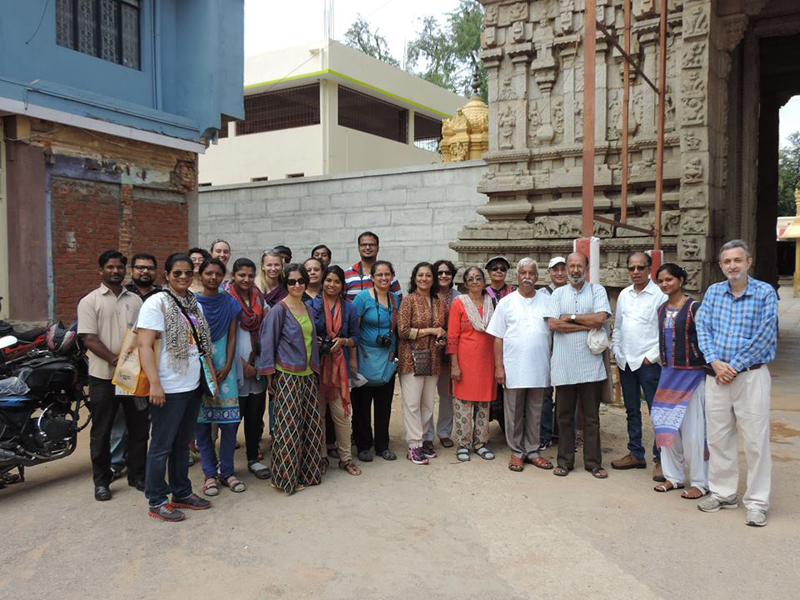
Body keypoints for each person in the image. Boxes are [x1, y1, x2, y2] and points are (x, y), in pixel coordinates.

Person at [696, 240, 778, 527]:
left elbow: (765, 334)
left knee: (755, 441)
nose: (733, 265)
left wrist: (734, 366)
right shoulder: (714, 293)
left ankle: (756, 502)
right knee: (718, 438)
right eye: (727, 261)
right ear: (721, 265)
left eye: (738, 260)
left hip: (751, 376)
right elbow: (702, 327)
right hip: (716, 375)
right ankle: (723, 492)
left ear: (748, 262)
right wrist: (715, 361)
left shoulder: (765, 293)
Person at [137, 253, 214, 522]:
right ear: (167, 276)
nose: (183, 277)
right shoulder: (156, 303)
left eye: (187, 273)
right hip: (168, 387)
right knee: (161, 446)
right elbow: (144, 345)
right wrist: (155, 384)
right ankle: (156, 499)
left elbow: (201, 345)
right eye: (177, 273)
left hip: (191, 385)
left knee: (182, 444)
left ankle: (181, 492)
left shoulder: (194, 304)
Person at [77, 250, 148, 501]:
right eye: (110, 267)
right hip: (102, 378)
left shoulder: (136, 301)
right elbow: (89, 338)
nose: (115, 271)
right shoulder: (90, 301)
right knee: (102, 430)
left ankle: (138, 476)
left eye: (119, 267)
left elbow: (142, 335)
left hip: (132, 377)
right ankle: (102, 482)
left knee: (139, 428)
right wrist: (116, 360)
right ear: (101, 270)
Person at [257, 264, 324, 495]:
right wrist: (269, 377)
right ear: (286, 284)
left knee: (310, 427)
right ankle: (285, 478)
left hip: (308, 376)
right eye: (292, 281)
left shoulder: (307, 307)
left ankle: (308, 473)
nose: (297, 285)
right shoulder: (279, 310)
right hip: (287, 376)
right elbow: (268, 343)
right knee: (288, 429)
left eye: (300, 281)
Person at [545, 252, 611, 480]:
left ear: (586, 267)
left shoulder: (597, 290)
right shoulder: (558, 293)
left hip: (590, 366)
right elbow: (553, 324)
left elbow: (600, 320)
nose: (574, 270)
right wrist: (586, 322)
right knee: (563, 416)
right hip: (563, 366)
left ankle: (593, 463)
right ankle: (565, 461)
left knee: (591, 417)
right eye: (570, 266)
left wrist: (571, 318)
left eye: (578, 266)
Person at [486, 258, 553, 472]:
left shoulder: (546, 300)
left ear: (537, 276)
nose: (527, 277)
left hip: (540, 367)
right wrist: (499, 367)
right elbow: (497, 337)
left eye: (531, 273)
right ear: (517, 277)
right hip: (514, 367)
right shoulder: (507, 302)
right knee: (513, 412)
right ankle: (516, 452)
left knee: (535, 411)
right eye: (523, 273)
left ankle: (532, 451)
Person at [651, 263, 709, 499]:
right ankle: (673, 477)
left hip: (692, 376)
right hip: (668, 375)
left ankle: (699, 482)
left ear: (681, 280)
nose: (665, 284)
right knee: (665, 426)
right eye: (661, 281)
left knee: (694, 429)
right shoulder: (662, 309)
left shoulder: (695, 307)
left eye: (669, 280)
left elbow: (706, 339)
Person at [610, 252, 666, 481]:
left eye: (640, 267)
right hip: (626, 361)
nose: (635, 272)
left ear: (649, 269)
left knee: (657, 412)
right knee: (631, 409)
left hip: (649, 363)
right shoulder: (624, 294)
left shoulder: (660, 295)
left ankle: (662, 459)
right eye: (631, 268)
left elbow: (664, 332)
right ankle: (635, 453)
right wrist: (616, 349)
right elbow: (618, 326)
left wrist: (651, 357)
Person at [194, 258, 245, 496]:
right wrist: (208, 369)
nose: (213, 277)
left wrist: (225, 367)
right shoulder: (191, 304)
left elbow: (233, 337)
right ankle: (209, 474)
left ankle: (227, 471)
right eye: (208, 273)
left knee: (230, 423)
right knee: (202, 426)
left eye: (217, 274)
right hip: (200, 371)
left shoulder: (230, 303)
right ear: (201, 275)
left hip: (227, 369)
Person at [308, 265, 362, 476]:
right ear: (322, 282)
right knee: (318, 414)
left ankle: (346, 459)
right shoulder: (312, 306)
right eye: (328, 280)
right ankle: (321, 457)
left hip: (340, 368)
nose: (332, 285)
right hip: (317, 368)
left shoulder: (349, 308)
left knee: (341, 415)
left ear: (342, 285)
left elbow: (356, 338)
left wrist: (343, 341)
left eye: (336, 282)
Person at [398, 262, 446, 465]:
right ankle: (414, 446)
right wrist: (430, 331)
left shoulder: (438, 301)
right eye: (420, 275)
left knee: (427, 403)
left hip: (434, 358)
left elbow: (442, 328)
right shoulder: (408, 300)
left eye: (428, 275)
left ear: (433, 279)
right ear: (414, 278)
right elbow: (402, 330)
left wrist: (441, 336)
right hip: (411, 358)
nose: (424, 279)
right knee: (412, 404)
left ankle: (424, 440)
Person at [351, 260, 400, 463]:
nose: (383, 278)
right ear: (372, 278)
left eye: (387, 274)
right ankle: (363, 445)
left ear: (392, 276)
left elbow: (396, 329)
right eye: (379, 275)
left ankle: (382, 445)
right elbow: (354, 329)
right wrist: (353, 359)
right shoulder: (362, 298)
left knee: (384, 405)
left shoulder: (395, 299)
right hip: (364, 357)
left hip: (386, 359)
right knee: (362, 405)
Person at [447, 267, 496, 462]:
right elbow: (452, 337)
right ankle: (463, 444)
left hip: (487, 361)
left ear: (484, 281)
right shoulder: (459, 304)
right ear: (465, 284)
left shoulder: (490, 302)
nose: (474, 281)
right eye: (470, 279)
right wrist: (455, 365)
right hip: (465, 362)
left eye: (478, 278)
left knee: (484, 404)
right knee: (463, 404)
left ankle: (480, 443)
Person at [228, 258, 270, 480]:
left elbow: (268, 327)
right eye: (241, 275)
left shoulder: (259, 299)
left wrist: (259, 364)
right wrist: (241, 365)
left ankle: (253, 458)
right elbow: (224, 337)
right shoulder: (226, 300)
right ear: (233, 275)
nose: (245, 279)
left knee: (254, 418)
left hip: (258, 366)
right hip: (234, 369)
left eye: (249, 275)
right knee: (232, 419)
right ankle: (225, 464)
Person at [423, 259, 460, 451]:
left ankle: (444, 432)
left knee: (447, 396)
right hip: (429, 353)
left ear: (452, 276)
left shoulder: (459, 297)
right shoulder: (427, 296)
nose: (444, 276)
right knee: (428, 395)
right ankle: (427, 435)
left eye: (447, 273)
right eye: (440, 273)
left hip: (451, 354)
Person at [539, 256, 568, 451]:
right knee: (545, 396)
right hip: (547, 351)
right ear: (548, 272)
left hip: (568, 350)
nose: (559, 273)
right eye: (554, 269)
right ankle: (545, 435)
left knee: (567, 397)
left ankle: (567, 437)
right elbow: (548, 323)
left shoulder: (573, 292)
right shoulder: (541, 294)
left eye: (562, 269)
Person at [345, 231, 401, 301]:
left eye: (372, 245)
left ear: (378, 248)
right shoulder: (347, 274)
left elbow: (399, 300)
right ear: (358, 248)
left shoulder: (388, 274)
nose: (368, 248)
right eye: (364, 245)